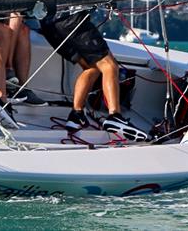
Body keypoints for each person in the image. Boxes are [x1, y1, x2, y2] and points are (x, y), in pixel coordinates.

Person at [38, 11, 149, 141]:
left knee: (92, 68)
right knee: (109, 66)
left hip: (49, 26)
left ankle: (76, 115)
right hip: (72, 19)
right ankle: (115, 116)